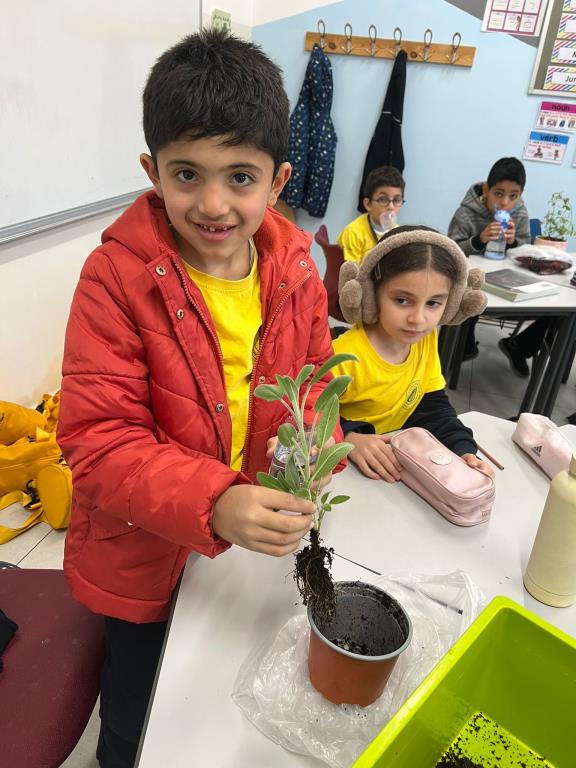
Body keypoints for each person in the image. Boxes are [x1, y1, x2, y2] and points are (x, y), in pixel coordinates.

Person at [57, 30, 341, 768]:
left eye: (240, 177)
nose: (213, 204)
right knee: (137, 710)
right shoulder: (114, 278)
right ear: (152, 171)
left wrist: (317, 451)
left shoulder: (296, 270)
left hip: (252, 542)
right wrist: (215, 502)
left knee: (217, 698)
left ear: (278, 181)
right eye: (187, 174)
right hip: (143, 551)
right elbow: (98, 442)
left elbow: (316, 383)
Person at [333, 225, 494, 482]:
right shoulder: (342, 355)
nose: (418, 319)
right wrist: (349, 437)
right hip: (342, 471)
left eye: (433, 303)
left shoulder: (424, 340)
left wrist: (463, 450)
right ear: (371, 294)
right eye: (402, 300)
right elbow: (302, 417)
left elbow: (432, 407)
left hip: (389, 469)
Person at [448, 157, 554, 376]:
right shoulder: (465, 213)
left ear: (521, 194)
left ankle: (519, 346)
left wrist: (514, 243)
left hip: (508, 281)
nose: (505, 202)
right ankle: (463, 346)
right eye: (498, 193)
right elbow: (451, 252)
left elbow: (526, 253)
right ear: (486, 190)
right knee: (467, 294)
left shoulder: (520, 214)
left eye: (513, 196)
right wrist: (479, 240)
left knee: (556, 311)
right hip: (475, 281)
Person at [337, 166, 405, 263]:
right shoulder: (353, 234)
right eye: (383, 199)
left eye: (396, 200)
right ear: (368, 204)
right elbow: (349, 271)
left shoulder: (400, 234)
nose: (391, 206)